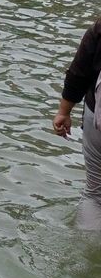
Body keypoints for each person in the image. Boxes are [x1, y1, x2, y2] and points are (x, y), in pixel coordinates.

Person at [52, 16, 101, 230]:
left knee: (94, 194)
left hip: (97, 120)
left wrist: (64, 111)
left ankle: (88, 246)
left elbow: (79, 71)